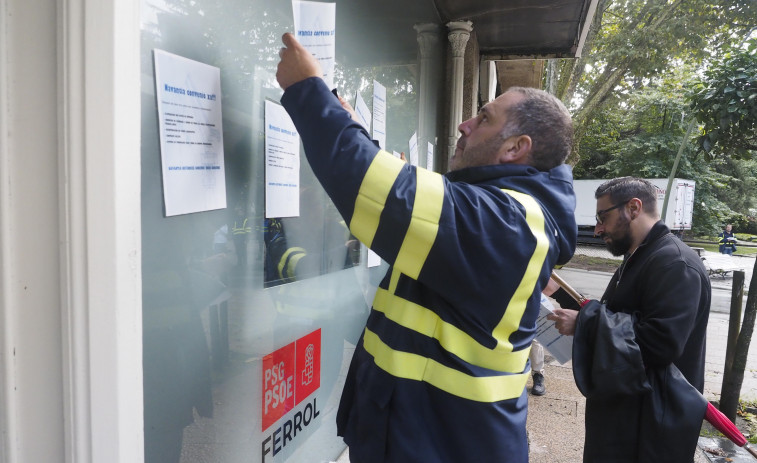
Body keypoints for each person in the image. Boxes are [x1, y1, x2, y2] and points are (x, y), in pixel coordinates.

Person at [275, 33, 577, 462]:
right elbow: (402, 191)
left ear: (515, 147)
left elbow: (376, 189)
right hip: (424, 433)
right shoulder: (502, 213)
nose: (464, 125)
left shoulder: (510, 222)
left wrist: (307, 90)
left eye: (483, 118)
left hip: (444, 444)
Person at [548, 177, 711, 462]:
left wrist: (584, 323)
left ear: (634, 207)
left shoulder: (675, 264)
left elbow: (661, 342)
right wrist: (557, 292)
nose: (598, 229)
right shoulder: (641, 255)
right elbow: (616, 314)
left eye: (603, 217)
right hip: (627, 414)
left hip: (651, 427)